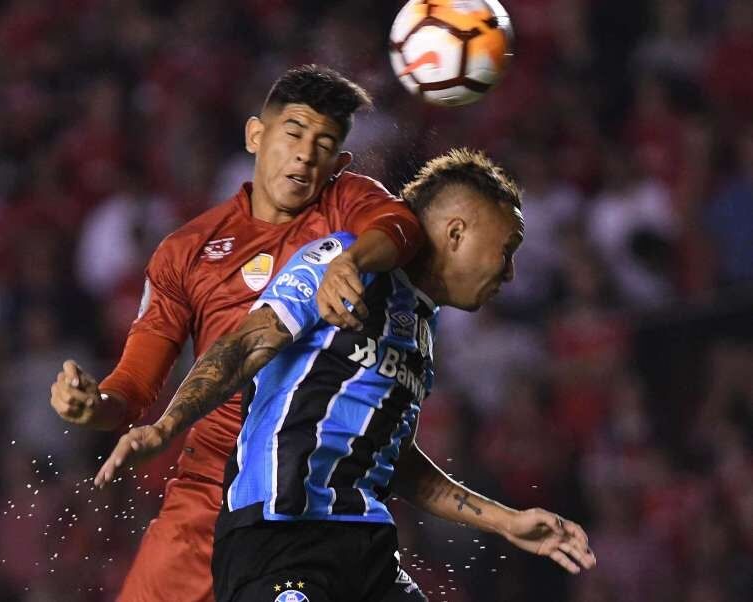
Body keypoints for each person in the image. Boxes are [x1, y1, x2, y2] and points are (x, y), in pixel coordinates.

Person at [95, 148, 598, 602]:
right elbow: (246, 343)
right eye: (507, 249)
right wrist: (166, 425)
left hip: (368, 551)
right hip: (281, 536)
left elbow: (393, 458)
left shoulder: (422, 324)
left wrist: (506, 521)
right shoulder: (344, 261)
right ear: (456, 233)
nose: (510, 272)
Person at [49, 65, 424, 601]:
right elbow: (135, 384)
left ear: (339, 164)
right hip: (207, 490)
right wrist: (97, 407)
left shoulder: (346, 205)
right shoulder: (187, 251)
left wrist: (352, 259)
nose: (305, 155)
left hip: (303, 495)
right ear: (255, 135)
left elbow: (402, 228)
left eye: (323, 145)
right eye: (293, 133)